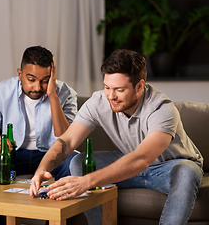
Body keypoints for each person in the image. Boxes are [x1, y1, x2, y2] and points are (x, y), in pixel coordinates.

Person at [30, 49, 203, 225]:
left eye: (119, 90)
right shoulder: (98, 102)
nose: (111, 96)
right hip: (131, 163)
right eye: (107, 87)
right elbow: (67, 140)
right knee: (78, 162)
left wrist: (85, 182)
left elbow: (142, 159)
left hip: (168, 167)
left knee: (186, 172)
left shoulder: (162, 109)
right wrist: (41, 169)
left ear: (140, 86)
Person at [0, 46, 78, 184]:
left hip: (51, 154)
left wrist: (52, 95)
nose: (37, 87)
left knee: (74, 162)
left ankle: (61, 203)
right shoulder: (1, 91)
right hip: (12, 155)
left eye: (45, 80)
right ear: (20, 74)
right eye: (31, 80)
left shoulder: (66, 94)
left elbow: (66, 139)